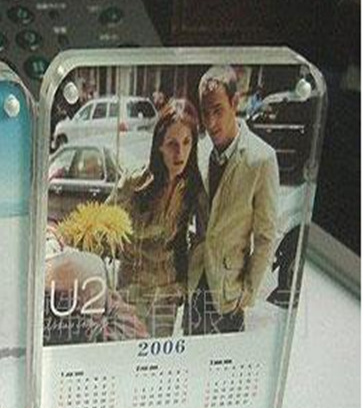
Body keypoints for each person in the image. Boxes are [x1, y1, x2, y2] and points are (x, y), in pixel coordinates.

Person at [184, 65, 278, 335]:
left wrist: (247, 294)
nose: (211, 122)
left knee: (222, 360)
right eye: (205, 113)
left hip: (229, 294)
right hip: (196, 284)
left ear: (235, 103)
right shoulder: (200, 151)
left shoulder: (261, 159)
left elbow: (266, 236)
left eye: (218, 111)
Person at [107, 98, 201, 338]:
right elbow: (103, 223)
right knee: (128, 355)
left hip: (167, 296)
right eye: (172, 144)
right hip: (132, 296)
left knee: (158, 356)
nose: (180, 153)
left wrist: (182, 287)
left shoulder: (191, 187)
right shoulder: (135, 182)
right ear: (159, 145)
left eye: (187, 142)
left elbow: (190, 241)